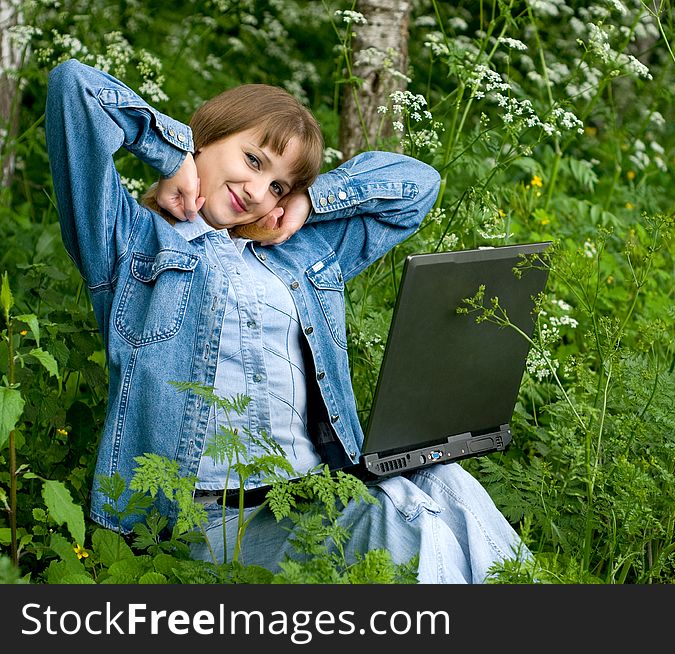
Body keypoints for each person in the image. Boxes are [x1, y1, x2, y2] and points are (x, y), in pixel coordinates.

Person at [45, 59, 528, 583]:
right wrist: (171, 155)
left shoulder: (299, 253)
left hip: (309, 496)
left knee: (443, 485)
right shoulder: (126, 242)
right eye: (253, 160)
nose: (257, 191)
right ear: (204, 138)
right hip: (204, 522)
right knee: (412, 526)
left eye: (276, 186)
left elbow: (418, 186)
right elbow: (75, 89)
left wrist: (309, 201)